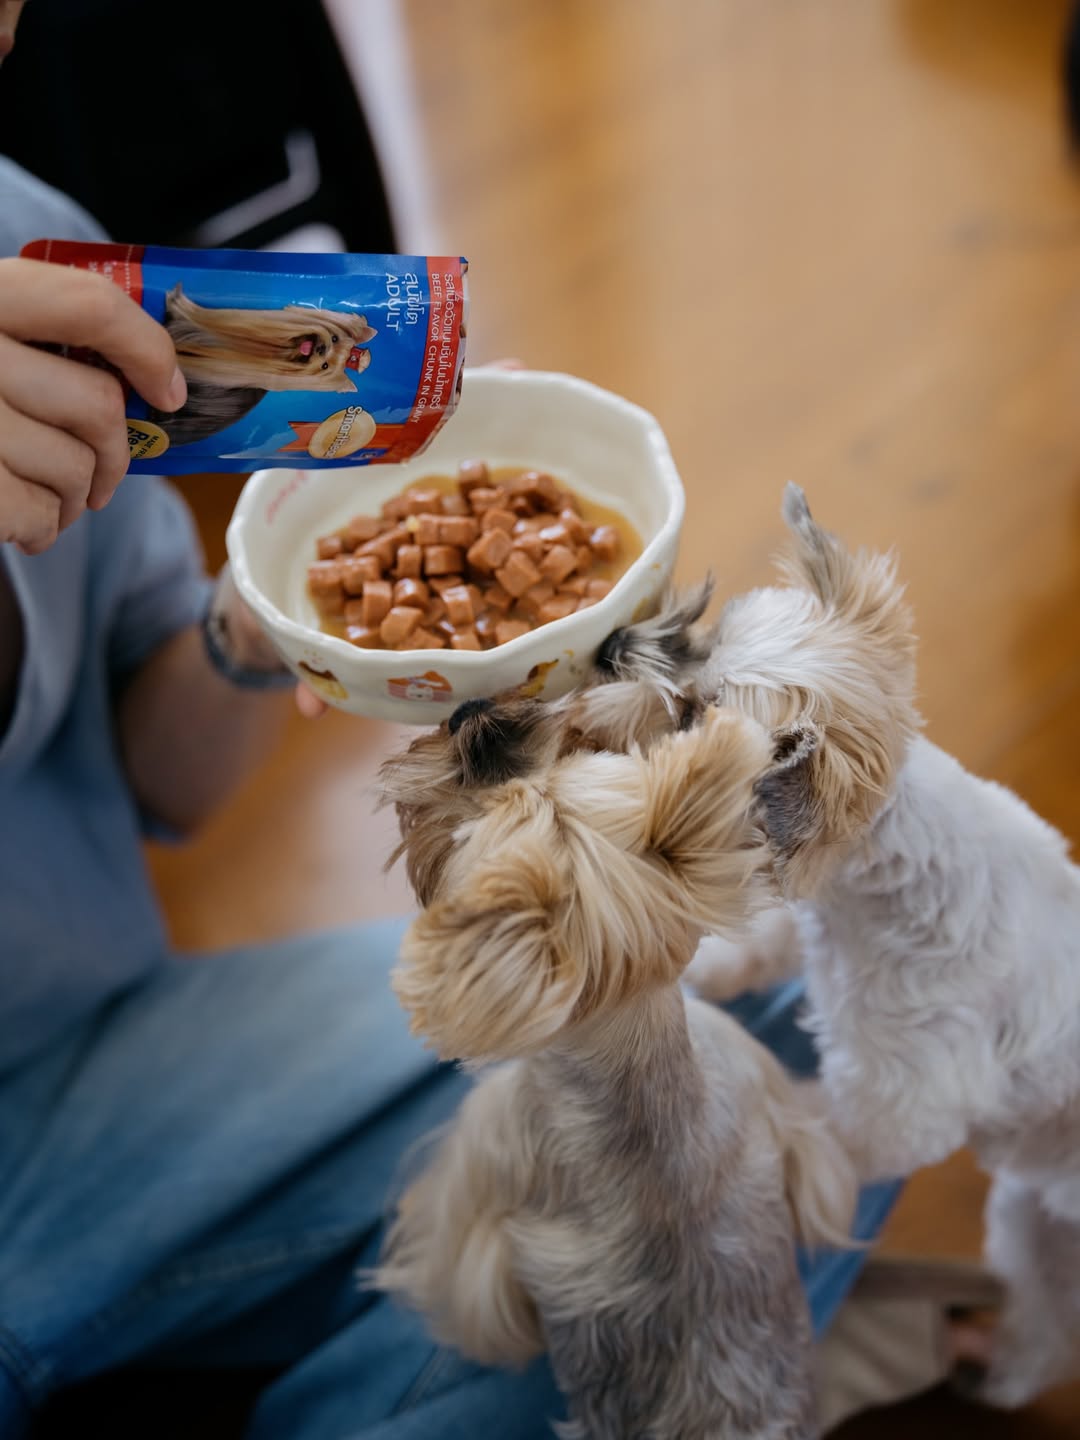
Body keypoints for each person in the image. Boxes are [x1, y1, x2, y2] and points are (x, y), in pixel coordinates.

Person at [0, 2, 906, 1433]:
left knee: (824, 1005)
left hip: (83, 1080)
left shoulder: (30, 241)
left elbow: (153, 784)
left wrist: (256, 631)